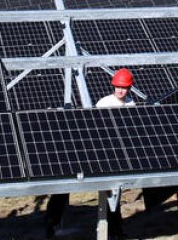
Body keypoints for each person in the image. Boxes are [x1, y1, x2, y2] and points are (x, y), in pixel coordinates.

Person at [46, 68, 135, 239]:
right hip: (97, 150)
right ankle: (51, 225)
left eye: (123, 87)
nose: (120, 90)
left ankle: (116, 231)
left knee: (113, 195)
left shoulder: (131, 104)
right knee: (64, 187)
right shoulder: (104, 103)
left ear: (129, 88)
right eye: (117, 86)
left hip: (115, 156)